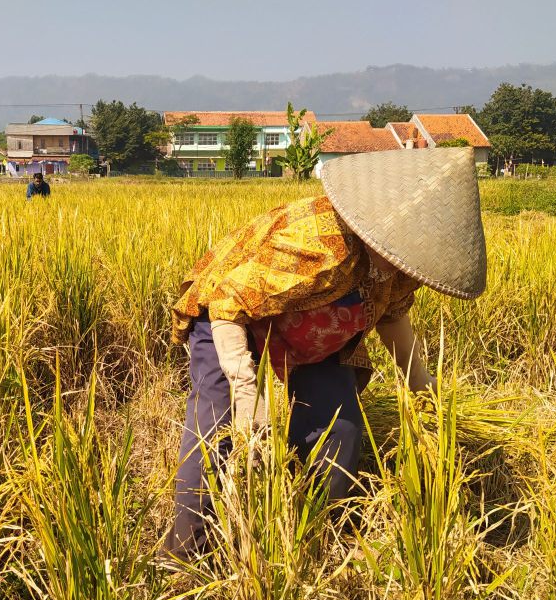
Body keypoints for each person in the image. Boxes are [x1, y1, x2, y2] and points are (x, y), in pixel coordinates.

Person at [165, 148, 487, 559]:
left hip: (311, 336)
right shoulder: (321, 245)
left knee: (340, 429)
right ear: (382, 222)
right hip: (230, 318)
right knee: (218, 428)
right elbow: (230, 302)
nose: (412, 267)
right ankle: (188, 558)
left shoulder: (403, 268)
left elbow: (392, 319)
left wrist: (423, 388)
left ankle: (309, 539)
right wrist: (249, 395)